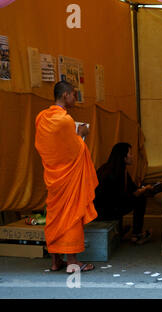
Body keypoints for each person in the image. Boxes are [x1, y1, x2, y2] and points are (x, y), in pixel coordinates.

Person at [35, 81, 97, 273]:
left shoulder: (41, 117)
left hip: (53, 175)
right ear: (65, 95)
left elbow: (45, 146)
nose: (75, 99)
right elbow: (74, 151)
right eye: (73, 95)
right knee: (71, 215)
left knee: (54, 216)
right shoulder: (65, 121)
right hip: (68, 176)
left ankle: (55, 262)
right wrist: (81, 134)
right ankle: (72, 262)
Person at [94, 142, 156, 244]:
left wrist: (141, 189)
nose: (132, 156)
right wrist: (144, 190)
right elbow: (132, 194)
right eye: (130, 153)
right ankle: (137, 235)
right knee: (140, 199)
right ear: (123, 157)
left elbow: (131, 190)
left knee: (120, 201)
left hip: (100, 209)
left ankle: (119, 230)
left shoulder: (106, 168)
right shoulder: (116, 173)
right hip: (105, 212)